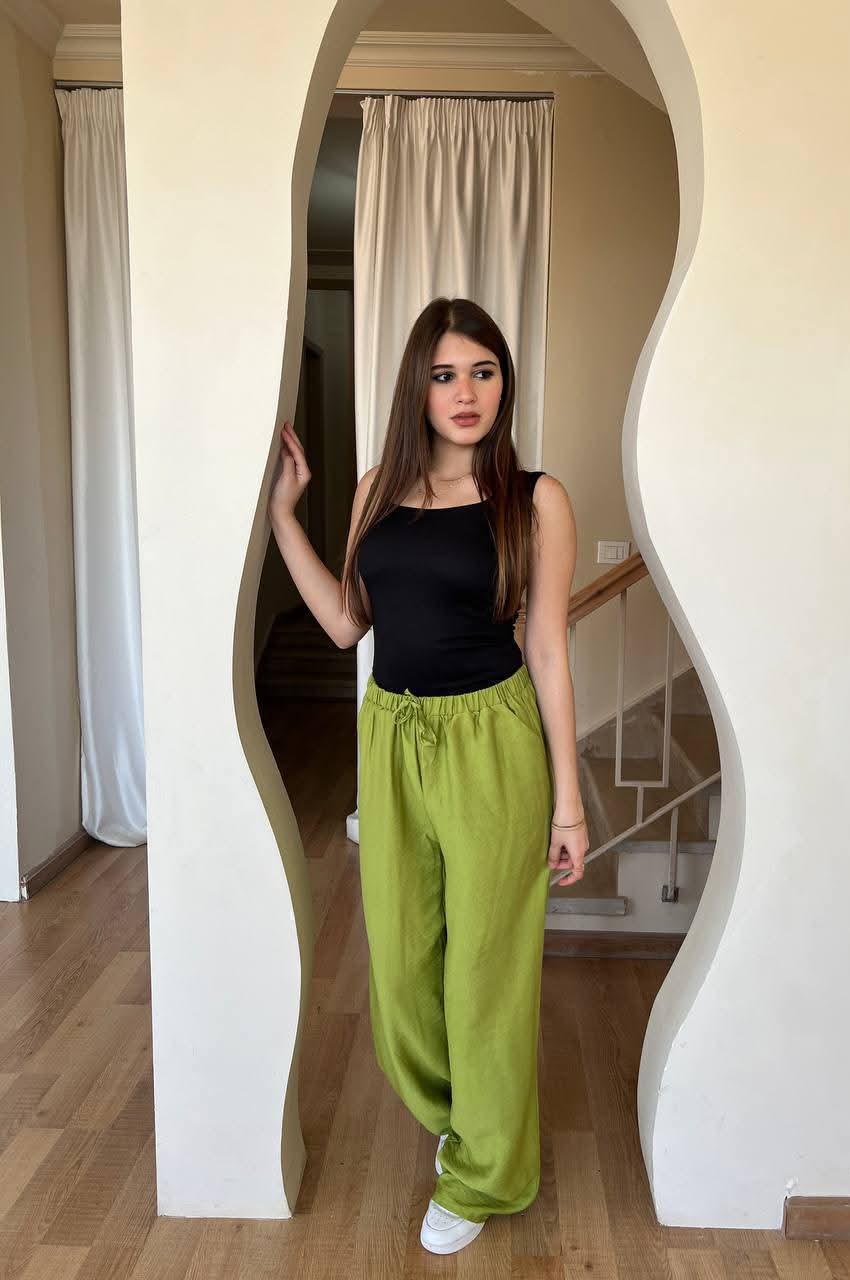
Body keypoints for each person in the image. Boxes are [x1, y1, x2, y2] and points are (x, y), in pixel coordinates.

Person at [268, 296, 588, 1255]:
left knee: (486, 970)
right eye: (445, 374)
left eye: (483, 372)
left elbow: (548, 650)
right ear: (419, 385)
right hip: (392, 735)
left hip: (494, 740)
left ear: (504, 384)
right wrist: (284, 515)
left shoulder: (536, 499)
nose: (465, 392)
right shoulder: (377, 489)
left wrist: (569, 806)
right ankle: (467, 1117)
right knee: (404, 968)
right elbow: (344, 624)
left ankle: (485, 1173)